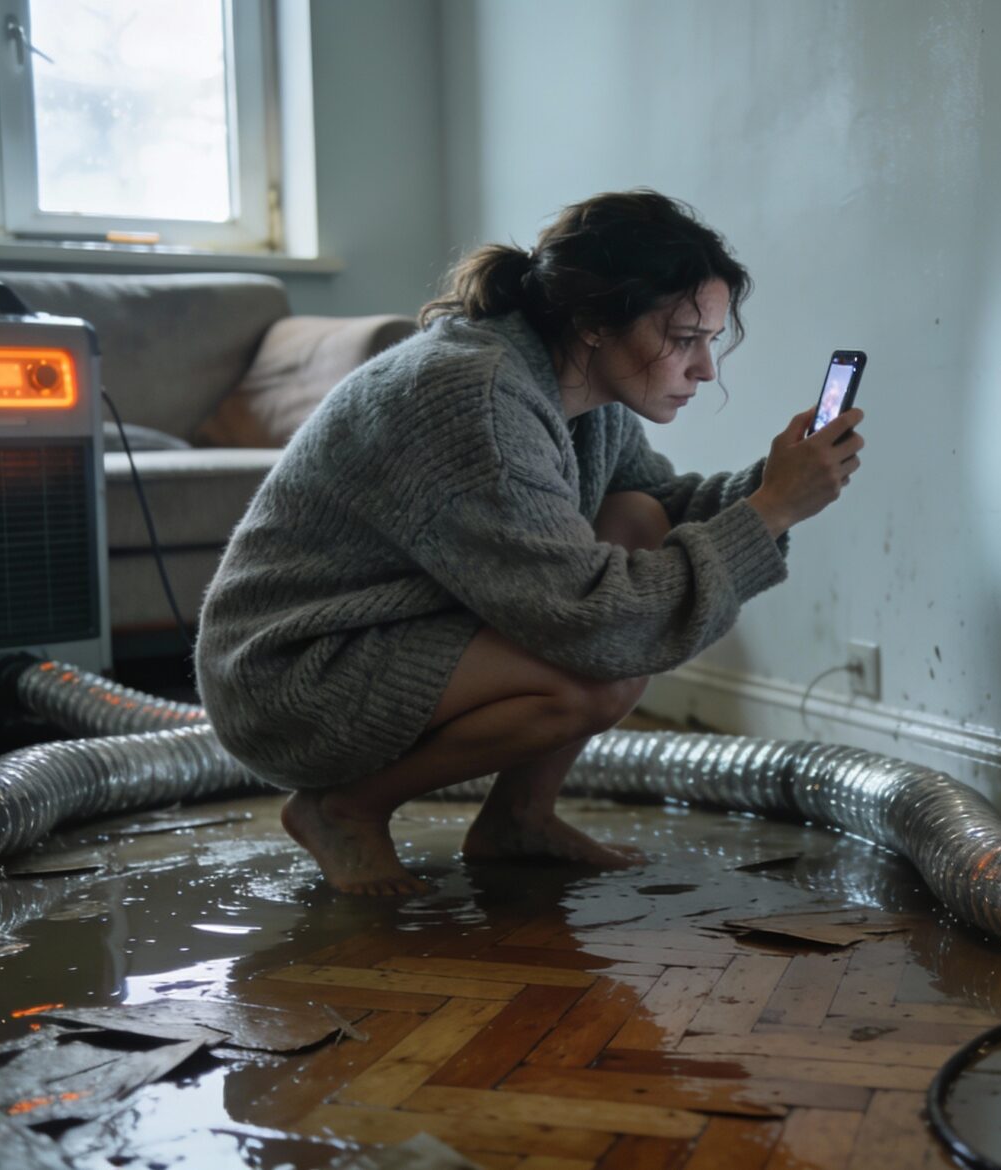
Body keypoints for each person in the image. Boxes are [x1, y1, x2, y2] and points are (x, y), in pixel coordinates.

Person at [194, 190, 864, 895]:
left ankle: (518, 818)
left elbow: (661, 509)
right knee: (593, 677)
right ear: (594, 322)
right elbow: (598, 622)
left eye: (711, 341)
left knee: (636, 517)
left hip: (388, 628)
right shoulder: (475, 396)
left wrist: (774, 489)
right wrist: (769, 511)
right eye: (682, 339)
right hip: (289, 673)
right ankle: (343, 810)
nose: (705, 370)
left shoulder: (572, 389)